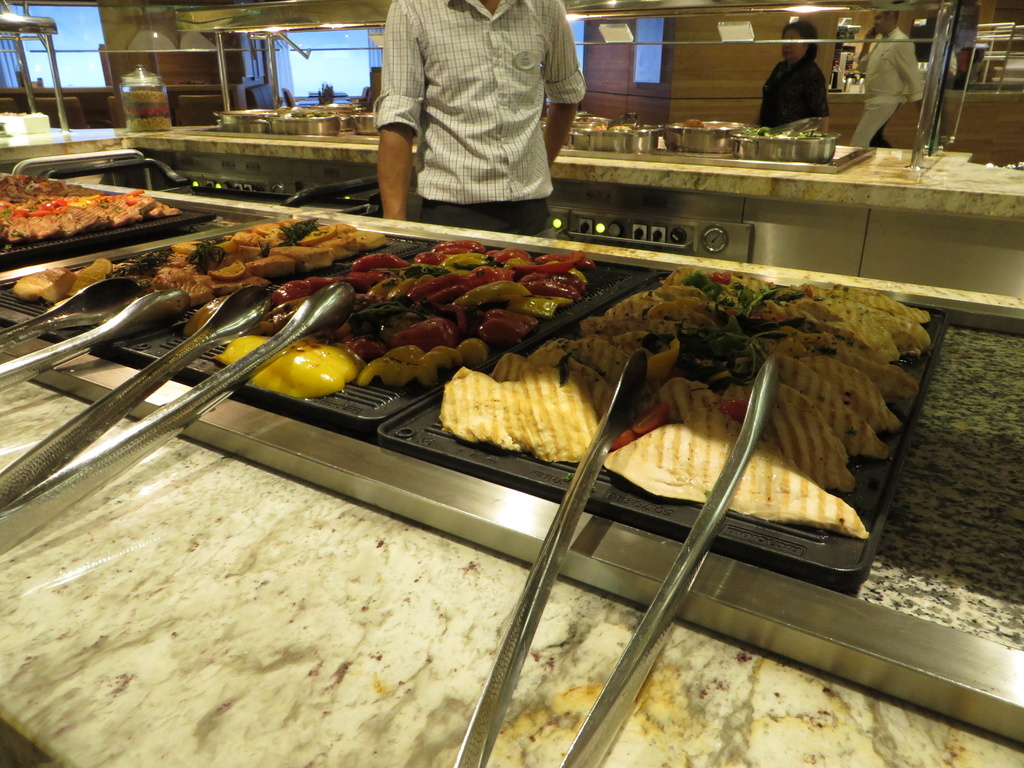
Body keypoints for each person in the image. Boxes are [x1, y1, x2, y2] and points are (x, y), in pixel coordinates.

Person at [374, 0, 586, 237]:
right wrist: (395, 228)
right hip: (450, 214)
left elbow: (567, 95)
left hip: (532, 213)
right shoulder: (413, 7)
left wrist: (538, 166)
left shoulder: (546, 6)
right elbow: (398, 117)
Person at [851, 10, 925, 147]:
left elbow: (912, 77)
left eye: (878, 18)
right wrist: (867, 42)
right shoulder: (882, 41)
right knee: (873, 141)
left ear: (891, 16)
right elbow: (862, 66)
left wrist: (921, 110)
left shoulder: (901, 42)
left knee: (860, 143)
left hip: (886, 101)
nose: (875, 22)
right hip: (872, 100)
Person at [758, 19, 830, 130]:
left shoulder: (811, 72)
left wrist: (822, 138)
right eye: (784, 40)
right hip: (770, 132)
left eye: (792, 40)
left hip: (795, 135)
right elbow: (767, 101)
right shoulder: (781, 67)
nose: (786, 45)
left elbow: (821, 113)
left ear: (806, 44)